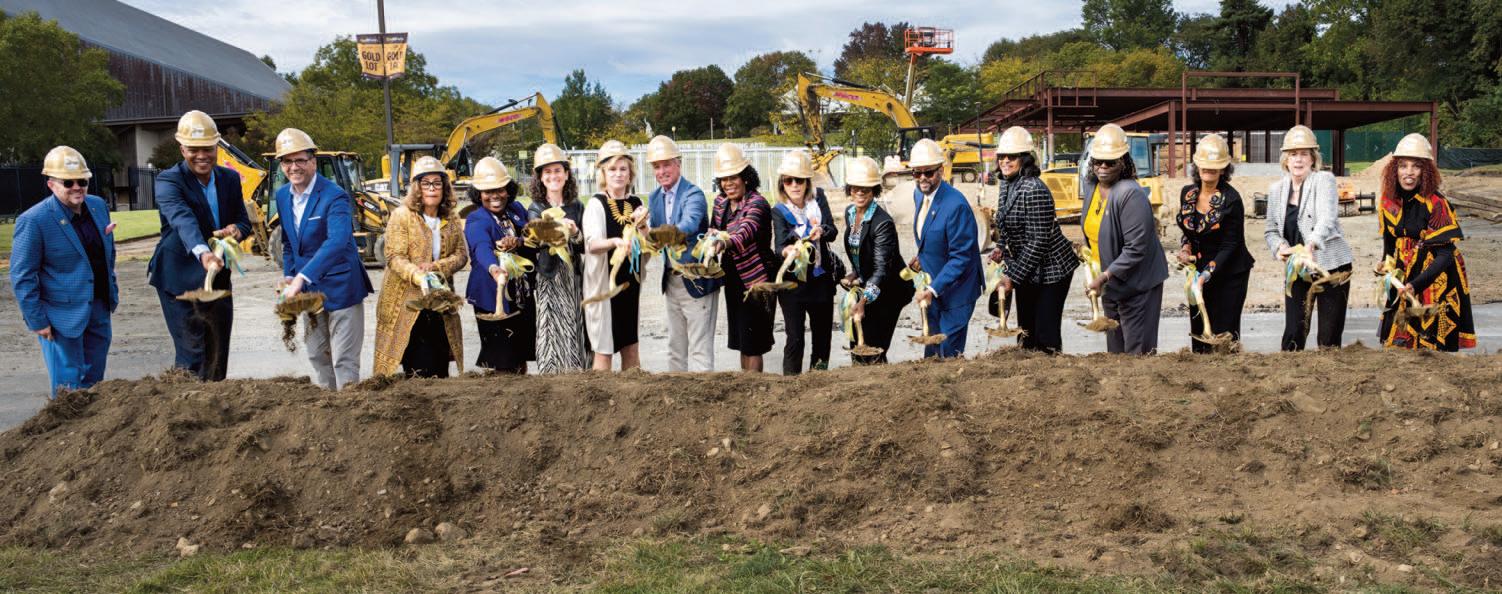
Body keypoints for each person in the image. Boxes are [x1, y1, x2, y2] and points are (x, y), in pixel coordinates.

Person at [148, 110, 251, 381]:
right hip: (179, 278)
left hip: (218, 278)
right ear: (182, 149)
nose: (201, 155)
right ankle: (188, 412)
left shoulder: (229, 179)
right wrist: (203, 252)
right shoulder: (169, 181)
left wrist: (235, 231)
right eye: (194, 149)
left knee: (217, 351)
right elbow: (183, 220)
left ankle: (216, 412)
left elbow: (243, 220)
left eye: (207, 148)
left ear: (216, 146)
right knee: (192, 353)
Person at [9, 146, 118, 396]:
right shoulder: (34, 220)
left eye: (82, 181)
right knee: (68, 388)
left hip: (99, 307)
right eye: (68, 182)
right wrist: (37, 320)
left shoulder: (98, 206)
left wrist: (111, 288)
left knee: (95, 384)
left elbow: (106, 253)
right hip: (60, 317)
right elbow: (22, 276)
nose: (77, 187)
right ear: (51, 185)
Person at [272, 128, 374, 389]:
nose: (293, 167)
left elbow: (337, 242)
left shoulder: (334, 195)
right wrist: (289, 275)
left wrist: (301, 277)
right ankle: (329, 410)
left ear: (313, 161)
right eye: (287, 161)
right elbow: (288, 243)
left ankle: (350, 409)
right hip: (309, 291)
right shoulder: (283, 196)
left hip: (342, 286)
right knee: (318, 355)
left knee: (344, 359)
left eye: (300, 160)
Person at [1377, 133, 1475, 351]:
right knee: (1398, 340)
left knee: (1430, 344)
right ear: (1395, 169)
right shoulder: (1387, 200)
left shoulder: (1437, 203)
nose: (1409, 172)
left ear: (1426, 171)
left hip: (1436, 274)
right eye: (1403, 166)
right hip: (1405, 273)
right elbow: (1390, 243)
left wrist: (1416, 283)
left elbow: (1445, 255)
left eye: (1416, 166)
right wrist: (1386, 264)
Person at [373, 156, 468, 377]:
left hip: (438, 302)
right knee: (416, 365)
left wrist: (437, 267)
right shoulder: (402, 216)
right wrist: (418, 275)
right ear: (417, 187)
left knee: (439, 363)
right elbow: (394, 256)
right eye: (426, 183)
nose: (432, 189)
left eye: (437, 183)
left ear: (445, 187)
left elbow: (461, 255)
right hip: (407, 303)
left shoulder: (451, 219)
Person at [987, 126, 1078, 353]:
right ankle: (1028, 378)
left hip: (1052, 269)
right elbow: (1005, 222)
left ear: (1025, 159)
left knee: (1045, 333)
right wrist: (1000, 246)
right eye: (1002, 156)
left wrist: (1012, 277)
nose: (1005, 161)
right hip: (1026, 266)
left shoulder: (1034, 188)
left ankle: (1052, 376)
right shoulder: (1007, 183)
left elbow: (1038, 241)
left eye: (1012, 157)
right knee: (1025, 330)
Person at [1263, 124, 1354, 351]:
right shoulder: (1276, 190)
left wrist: (1311, 244)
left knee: (1328, 337)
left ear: (1313, 158)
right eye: (1293, 154)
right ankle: (1291, 381)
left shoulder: (1324, 180)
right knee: (1294, 332)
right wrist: (1280, 248)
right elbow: (1271, 231)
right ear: (1286, 159)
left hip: (1331, 266)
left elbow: (1327, 219)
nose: (1298, 159)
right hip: (1298, 269)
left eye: (1304, 154)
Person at [1081, 123, 1169, 355]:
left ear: (1123, 162)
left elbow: (1136, 249)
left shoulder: (1131, 194)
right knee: (1116, 352)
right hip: (1111, 284)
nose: (1102, 167)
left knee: (1136, 352)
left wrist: (1105, 276)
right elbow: (1094, 233)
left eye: (1110, 162)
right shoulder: (1091, 187)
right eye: (1097, 161)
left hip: (1137, 284)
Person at [645, 135, 719, 372]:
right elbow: (654, 245)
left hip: (696, 280)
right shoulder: (654, 198)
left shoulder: (693, 194)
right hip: (672, 281)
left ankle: (704, 403)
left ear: (678, 163)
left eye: (667, 164)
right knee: (675, 347)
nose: (662, 170)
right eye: (657, 166)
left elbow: (689, 225)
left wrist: (659, 233)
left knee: (700, 347)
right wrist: (642, 231)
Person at [1174, 133, 1253, 353]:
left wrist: (1207, 274)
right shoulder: (1187, 194)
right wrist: (1185, 248)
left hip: (1229, 273)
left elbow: (1231, 244)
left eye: (1214, 165)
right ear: (1196, 166)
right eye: (1204, 164)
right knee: (1199, 331)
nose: (1208, 169)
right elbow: (1190, 230)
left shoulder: (1232, 200)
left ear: (1223, 169)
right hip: (1198, 271)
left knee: (1223, 335)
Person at [908, 138, 983, 359]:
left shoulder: (956, 205)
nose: (922, 178)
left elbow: (961, 257)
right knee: (931, 351)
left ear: (941, 170)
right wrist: (923, 256)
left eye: (928, 172)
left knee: (948, 353)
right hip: (935, 288)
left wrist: (932, 290)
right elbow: (930, 234)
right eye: (917, 172)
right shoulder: (919, 195)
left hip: (957, 291)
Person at [707, 143, 777, 372]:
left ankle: (755, 390)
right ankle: (745, 389)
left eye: (733, 177)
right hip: (734, 280)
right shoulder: (720, 203)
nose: (728, 183)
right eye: (723, 179)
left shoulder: (757, 203)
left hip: (756, 281)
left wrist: (723, 242)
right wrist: (709, 240)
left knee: (753, 343)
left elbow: (744, 233)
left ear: (746, 177)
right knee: (741, 341)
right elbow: (713, 228)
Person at [464, 156, 536, 373]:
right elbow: (481, 248)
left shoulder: (516, 210)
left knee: (520, 357)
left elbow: (532, 237)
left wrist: (519, 241)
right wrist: (494, 269)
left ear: (508, 189)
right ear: (478, 194)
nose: (495, 196)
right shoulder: (477, 219)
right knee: (502, 362)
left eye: (500, 189)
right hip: (493, 298)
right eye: (487, 192)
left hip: (520, 297)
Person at [771, 149, 838, 374]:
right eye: (788, 180)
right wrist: (787, 251)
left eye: (799, 180)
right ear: (782, 184)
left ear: (807, 181)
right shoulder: (779, 211)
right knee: (795, 338)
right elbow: (779, 245)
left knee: (822, 338)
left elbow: (833, 231)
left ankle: (818, 384)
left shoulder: (818, 199)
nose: (794, 185)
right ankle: (791, 387)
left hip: (820, 281)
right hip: (793, 285)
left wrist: (822, 230)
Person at [841, 156, 913, 365]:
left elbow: (881, 270)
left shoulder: (883, 223)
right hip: (869, 284)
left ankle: (882, 392)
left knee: (874, 349)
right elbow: (860, 251)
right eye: (855, 187)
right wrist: (855, 272)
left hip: (889, 290)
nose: (860, 192)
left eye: (866, 188)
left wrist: (863, 301)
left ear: (875, 189)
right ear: (849, 188)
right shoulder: (850, 212)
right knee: (857, 345)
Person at [582, 140, 644, 371]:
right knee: (604, 348)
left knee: (630, 345)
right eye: (612, 169)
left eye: (623, 169)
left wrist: (644, 227)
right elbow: (592, 244)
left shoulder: (637, 203)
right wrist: (614, 242)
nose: (618, 174)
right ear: (603, 173)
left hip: (629, 284)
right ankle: (602, 402)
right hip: (604, 286)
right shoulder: (596, 204)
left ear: (630, 174)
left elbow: (648, 245)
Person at [527, 143, 589, 374]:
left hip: (572, 277)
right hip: (549, 276)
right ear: (540, 178)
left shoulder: (577, 207)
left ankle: (577, 375)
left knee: (574, 326)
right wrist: (553, 230)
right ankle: (551, 378)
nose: (553, 176)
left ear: (566, 174)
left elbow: (584, 246)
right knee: (551, 330)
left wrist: (574, 233)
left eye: (557, 171)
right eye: (547, 172)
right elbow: (534, 241)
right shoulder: (535, 208)